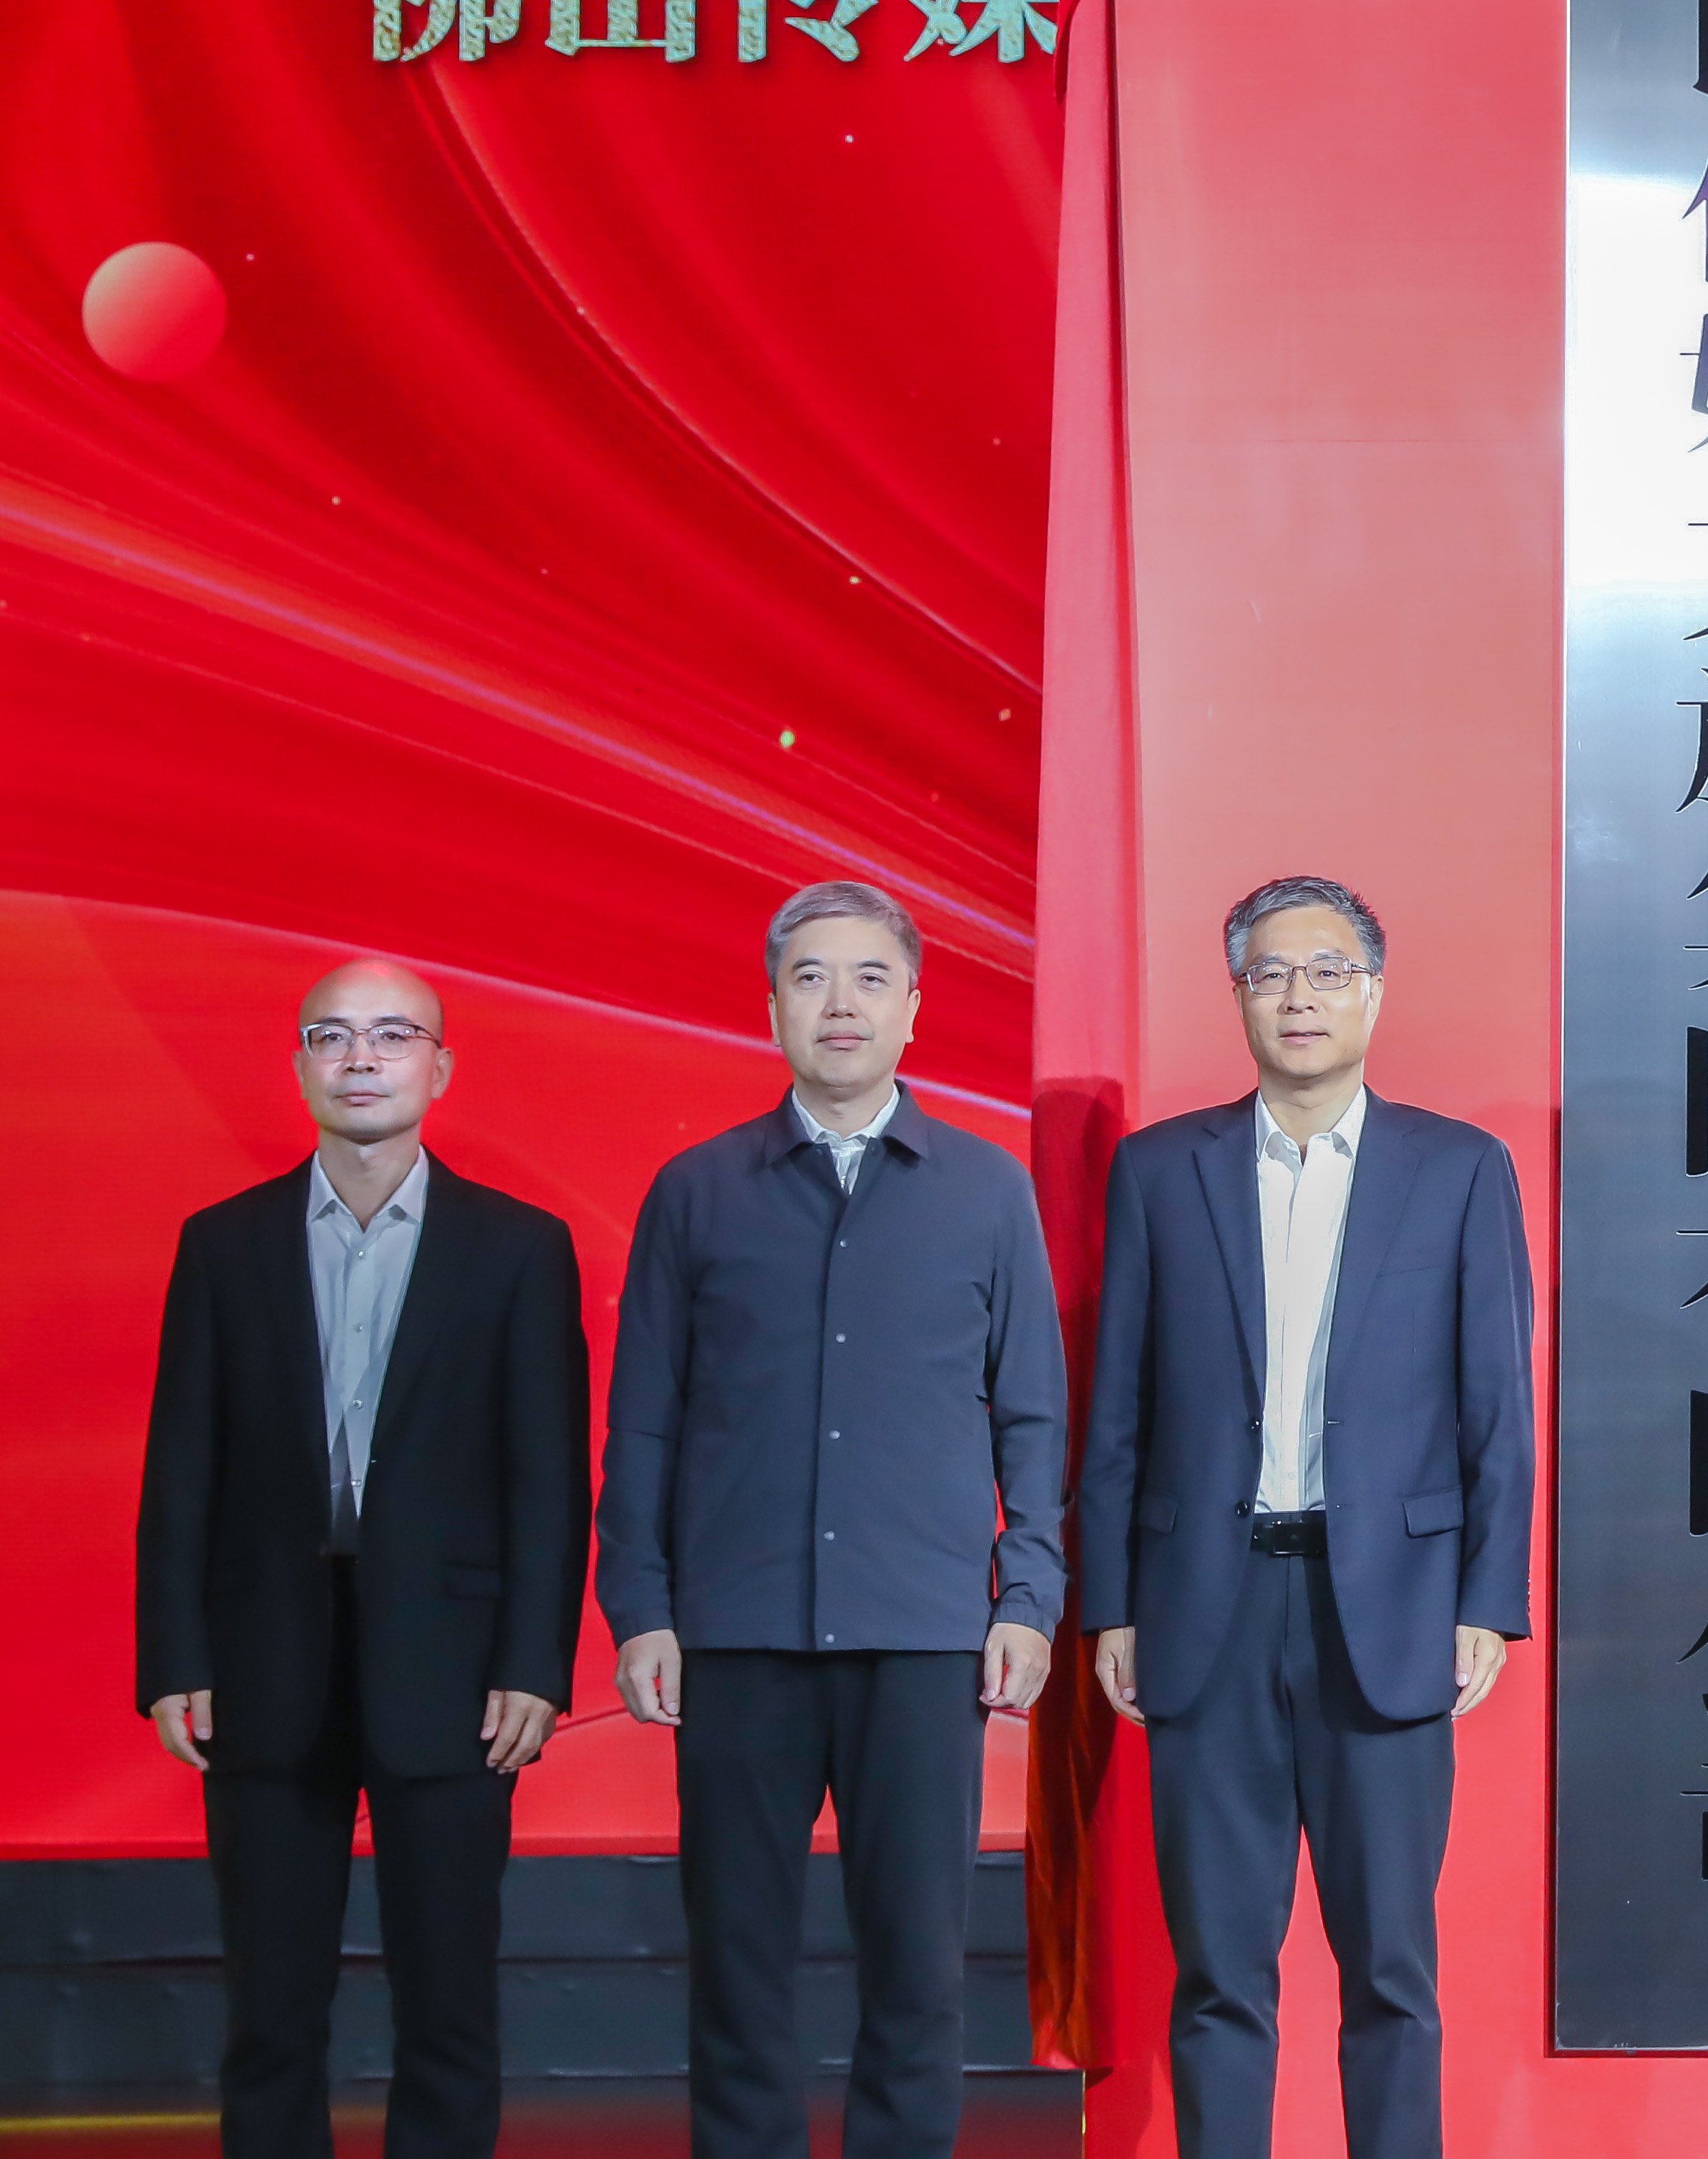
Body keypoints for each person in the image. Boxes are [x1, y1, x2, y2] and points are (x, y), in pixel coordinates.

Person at [597, 883, 1066, 2159]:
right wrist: (640, 1606)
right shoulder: (697, 1190)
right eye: (810, 977)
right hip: (737, 1629)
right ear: (772, 1008)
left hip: (921, 1633)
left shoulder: (987, 1189)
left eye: (869, 977)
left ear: (913, 1008)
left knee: (917, 1963)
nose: (840, 1003)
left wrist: (1028, 1594)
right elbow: (643, 1419)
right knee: (737, 1960)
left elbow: (1034, 1414)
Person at [1077, 875, 1533, 2159]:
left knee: (1391, 1967)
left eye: (1328, 970)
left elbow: (1498, 1404)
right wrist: (1110, 1603)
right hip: (1204, 1604)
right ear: (1238, 995)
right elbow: (1118, 1405)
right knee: (1219, 1970)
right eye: (1271, 971)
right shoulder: (1161, 1169)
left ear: (1372, 993)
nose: (1299, 995)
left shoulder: (1456, 1168)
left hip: (1385, 1606)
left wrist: (1488, 1597)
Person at [135, 960, 589, 2159]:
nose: (362, 1057)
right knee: (270, 2009)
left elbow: (549, 1479)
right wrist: (174, 1656)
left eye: (393, 1034)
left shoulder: (518, 1247)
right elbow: (181, 1467)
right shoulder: (224, 1243)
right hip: (262, 1657)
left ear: (441, 1066)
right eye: (331, 1036)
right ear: (299, 1067)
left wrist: (535, 1664)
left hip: (455, 1667)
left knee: (450, 2003)